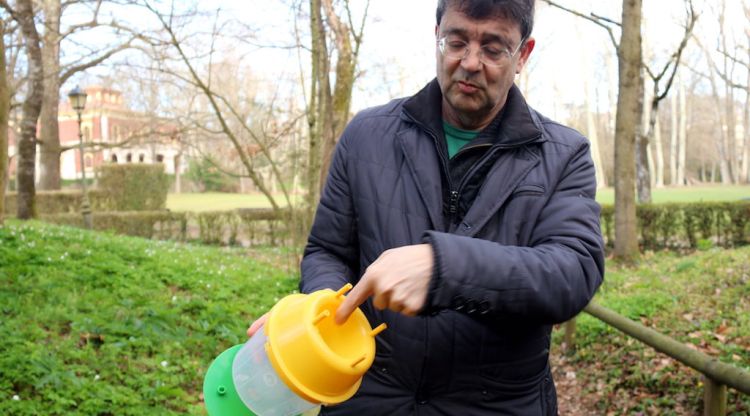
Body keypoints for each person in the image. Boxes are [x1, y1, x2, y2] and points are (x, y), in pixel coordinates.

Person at [248, 0, 604, 414]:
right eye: (456, 41)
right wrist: (321, 312)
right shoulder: (366, 135)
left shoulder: (563, 154)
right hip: (366, 396)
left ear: (523, 54)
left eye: (493, 48)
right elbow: (328, 251)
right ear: (437, 34)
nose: (470, 62)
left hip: (497, 404)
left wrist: (444, 268)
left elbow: (573, 272)